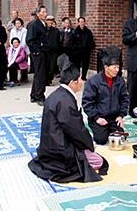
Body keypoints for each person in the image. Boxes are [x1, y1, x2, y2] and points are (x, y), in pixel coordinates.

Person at [28, 54, 108, 183]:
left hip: (50, 146)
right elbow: (76, 131)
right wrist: (89, 145)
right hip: (61, 150)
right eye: (80, 79)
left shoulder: (58, 95)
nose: (82, 82)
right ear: (72, 83)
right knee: (98, 161)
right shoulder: (65, 101)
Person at [82, 51, 129, 144]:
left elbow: (125, 99)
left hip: (114, 117)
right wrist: (96, 118)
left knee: (119, 138)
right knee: (101, 140)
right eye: (114, 67)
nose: (117, 70)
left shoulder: (120, 81)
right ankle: (96, 127)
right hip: (99, 117)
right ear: (106, 67)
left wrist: (121, 116)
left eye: (118, 67)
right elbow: (87, 102)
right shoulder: (93, 81)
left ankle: (111, 129)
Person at [26, 7, 51, 105]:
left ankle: (34, 95)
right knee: (40, 75)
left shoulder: (43, 24)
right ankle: (40, 96)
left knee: (39, 74)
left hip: (44, 52)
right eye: (43, 12)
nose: (45, 13)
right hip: (38, 53)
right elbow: (30, 40)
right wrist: (36, 52)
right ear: (38, 13)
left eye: (46, 11)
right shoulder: (34, 25)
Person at [45, 15, 60, 85]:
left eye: (51, 21)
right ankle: (45, 80)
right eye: (48, 21)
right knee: (45, 67)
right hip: (45, 51)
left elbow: (58, 40)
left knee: (52, 67)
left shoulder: (56, 31)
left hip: (53, 51)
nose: (50, 23)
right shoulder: (44, 30)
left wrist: (56, 47)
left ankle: (50, 79)